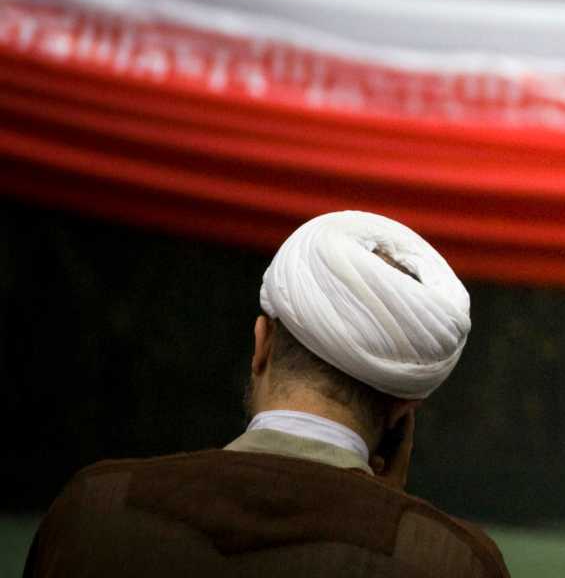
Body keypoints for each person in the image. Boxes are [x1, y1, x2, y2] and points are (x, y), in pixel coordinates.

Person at [25, 211, 510, 577]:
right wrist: (391, 512)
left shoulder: (94, 511)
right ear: (402, 418)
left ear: (262, 344)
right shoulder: (451, 561)